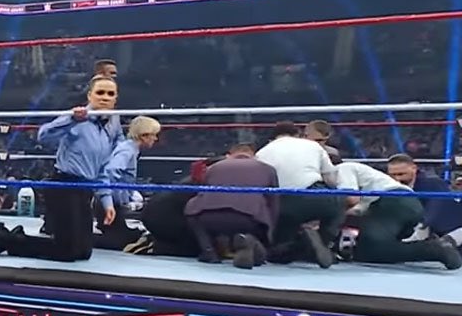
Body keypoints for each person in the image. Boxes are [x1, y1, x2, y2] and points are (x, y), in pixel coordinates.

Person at [0, 75, 122, 261]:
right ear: (89, 96)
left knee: (84, 252)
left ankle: (16, 237)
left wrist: (107, 202)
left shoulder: (109, 127)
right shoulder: (77, 119)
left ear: (115, 98)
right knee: (67, 252)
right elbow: (43, 135)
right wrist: (71, 119)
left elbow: (102, 169)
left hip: (85, 190)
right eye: (100, 92)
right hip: (64, 186)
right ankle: (4, 239)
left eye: (110, 94)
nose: (105, 98)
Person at [333, 157, 461, 269]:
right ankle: (433, 249)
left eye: (401, 174)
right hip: (406, 207)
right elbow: (360, 208)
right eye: (393, 174)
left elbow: (351, 198)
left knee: (370, 251)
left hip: (395, 204)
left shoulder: (342, 169)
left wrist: (332, 216)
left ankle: (435, 249)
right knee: (372, 248)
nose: (397, 178)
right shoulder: (374, 178)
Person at [254, 121, 344, 267]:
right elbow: (331, 179)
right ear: (298, 134)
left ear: (272, 138)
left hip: (282, 204)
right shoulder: (312, 145)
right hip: (314, 194)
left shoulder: (262, 153)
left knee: (278, 253)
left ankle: (297, 247)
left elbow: (261, 185)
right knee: (338, 205)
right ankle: (321, 243)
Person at [183, 143, 278, 268]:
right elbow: (273, 201)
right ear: (254, 156)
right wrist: (270, 232)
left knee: (192, 210)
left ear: (229, 155)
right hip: (248, 220)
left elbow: (201, 191)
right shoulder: (268, 169)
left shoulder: (215, 167)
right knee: (262, 211)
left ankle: (209, 251)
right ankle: (250, 241)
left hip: (209, 217)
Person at [94, 116, 160, 249]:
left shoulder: (131, 148)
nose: (155, 139)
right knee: (119, 242)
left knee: (133, 235)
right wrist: (112, 196)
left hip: (113, 201)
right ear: (144, 136)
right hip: (108, 203)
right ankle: (80, 239)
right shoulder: (127, 150)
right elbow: (111, 171)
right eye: (154, 135)